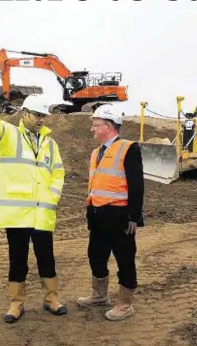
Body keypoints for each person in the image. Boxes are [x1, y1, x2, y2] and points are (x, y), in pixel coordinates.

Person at [0, 80, 67, 323]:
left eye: (44, 116)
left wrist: (53, 196)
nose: (41, 119)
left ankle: (51, 299)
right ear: (25, 113)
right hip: (17, 214)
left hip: (42, 214)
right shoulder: (9, 136)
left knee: (46, 258)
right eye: (37, 115)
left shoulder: (50, 143)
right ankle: (16, 303)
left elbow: (58, 172)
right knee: (17, 260)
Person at [76, 104, 144, 321]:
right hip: (97, 217)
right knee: (96, 256)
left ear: (108, 126)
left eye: (96, 125)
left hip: (120, 217)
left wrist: (134, 216)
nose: (92, 129)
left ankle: (125, 304)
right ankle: (99, 295)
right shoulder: (96, 152)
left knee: (125, 260)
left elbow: (136, 185)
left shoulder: (128, 148)